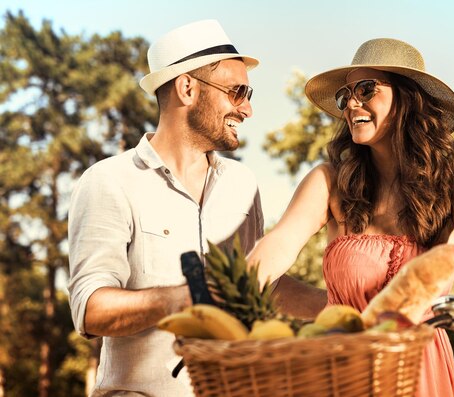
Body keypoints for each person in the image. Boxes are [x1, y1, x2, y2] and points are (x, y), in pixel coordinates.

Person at [247, 38, 454, 396]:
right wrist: (233, 294)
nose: (351, 103)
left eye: (365, 89)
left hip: (421, 370)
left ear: (408, 98)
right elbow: (279, 243)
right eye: (345, 95)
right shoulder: (330, 180)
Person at [67, 20, 323, 396]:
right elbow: (90, 309)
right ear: (187, 88)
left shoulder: (242, 184)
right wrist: (189, 297)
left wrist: (335, 304)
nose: (248, 109)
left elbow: (257, 285)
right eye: (238, 92)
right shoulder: (108, 181)